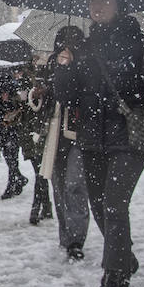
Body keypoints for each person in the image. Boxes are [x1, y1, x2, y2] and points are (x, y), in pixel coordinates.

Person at [52, 0, 144, 287]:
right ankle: (125, 257)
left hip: (129, 137)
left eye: (105, 0)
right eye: (93, 1)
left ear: (119, 3)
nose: (98, 6)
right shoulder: (83, 47)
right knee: (99, 207)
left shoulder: (140, 44)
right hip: (92, 138)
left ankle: (112, 280)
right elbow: (67, 98)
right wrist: (64, 68)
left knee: (114, 204)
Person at [46, 26, 90, 262]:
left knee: (75, 185)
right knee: (59, 188)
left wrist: (70, 68)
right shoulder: (52, 63)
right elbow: (47, 98)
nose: (70, 43)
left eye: (74, 39)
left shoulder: (87, 64)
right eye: (66, 39)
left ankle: (76, 240)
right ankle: (65, 235)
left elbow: (74, 95)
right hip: (54, 135)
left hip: (78, 134)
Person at [18, 60, 56, 226]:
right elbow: (21, 107)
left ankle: (37, 208)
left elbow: (48, 105)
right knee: (39, 172)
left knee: (40, 173)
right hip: (30, 133)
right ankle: (45, 207)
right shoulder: (23, 84)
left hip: (41, 132)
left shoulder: (46, 79)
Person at [0, 72, 30, 199]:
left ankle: (12, 184)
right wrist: (2, 104)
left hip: (13, 128)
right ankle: (18, 179)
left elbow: (19, 108)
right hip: (4, 128)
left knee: (12, 157)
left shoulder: (15, 90)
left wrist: (9, 104)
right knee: (9, 156)